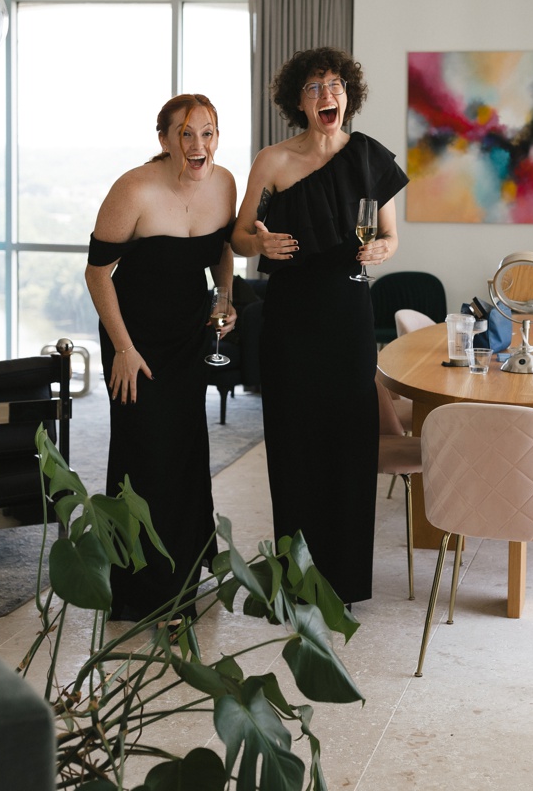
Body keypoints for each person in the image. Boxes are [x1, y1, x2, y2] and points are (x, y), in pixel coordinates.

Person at [231, 47, 408, 604]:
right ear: (298, 103)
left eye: (334, 84)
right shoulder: (273, 161)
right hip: (290, 319)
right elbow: (237, 236)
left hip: (349, 315)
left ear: (348, 94)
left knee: (350, 444)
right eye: (313, 88)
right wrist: (258, 242)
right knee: (294, 445)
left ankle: (347, 579)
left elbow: (390, 237)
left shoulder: (372, 158)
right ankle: (295, 579)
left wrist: (382, 248)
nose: (326, 94)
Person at [85, 93, 237, 622]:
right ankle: (141, 590)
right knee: (145, 451)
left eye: (209, 132)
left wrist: (224, 297)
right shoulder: (135, 188)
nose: (199, 145)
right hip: (135, 338)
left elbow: (223, 248)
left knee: (185, 449)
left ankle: (185, 575)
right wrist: (123, 349)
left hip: (188, 334)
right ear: (165, 139)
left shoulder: (224, 183)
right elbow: (97, 273)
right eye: (187, 133)